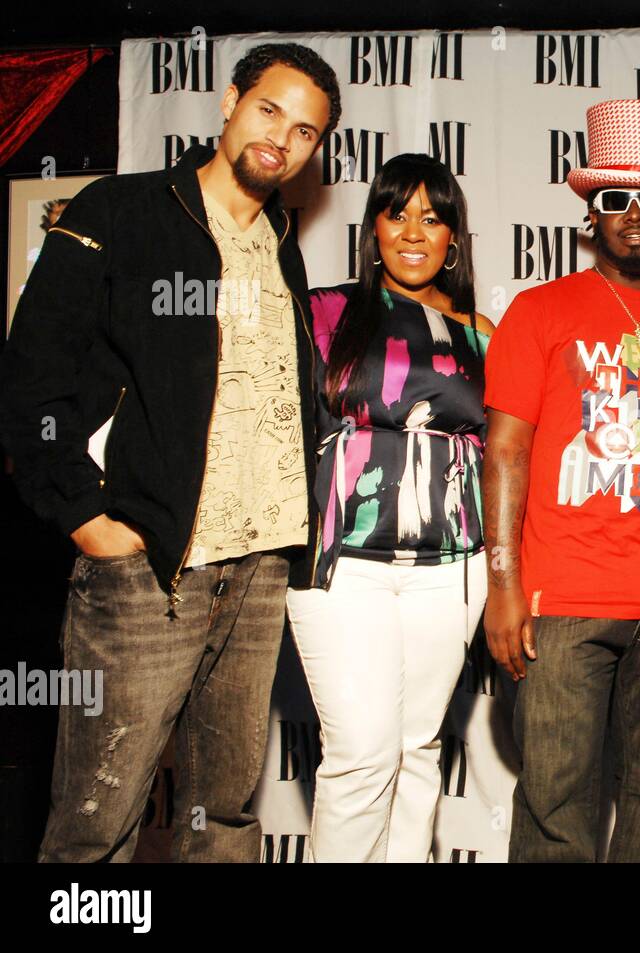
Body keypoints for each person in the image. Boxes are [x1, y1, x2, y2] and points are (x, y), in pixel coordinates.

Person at [0, 44, 341, 862]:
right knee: (95, 823)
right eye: (269, 111)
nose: (282, 139)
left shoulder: (282, 248)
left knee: (221, 817)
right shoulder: (119, 211)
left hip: (258, 568)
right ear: (228, 101)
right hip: (150, 569)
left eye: (305, 131)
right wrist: (86, 515)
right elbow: (30, 380)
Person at [482, 99, 640, 862]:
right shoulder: (537, 310)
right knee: (557, 804)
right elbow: (505, 453)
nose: (634, 214)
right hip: (565, 604)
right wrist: (502, 583)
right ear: (591, 213)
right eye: (614, 198)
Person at [284, 154, 492, 862]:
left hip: (452, 571)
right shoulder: (322, 310)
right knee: (363, 754)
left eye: (433, 218)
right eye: (397, 212)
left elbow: (507, 453)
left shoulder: (481, 332)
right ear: (372, 227)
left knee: (416, 749)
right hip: (345, 565)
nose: (413, 231)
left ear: (454, 238)